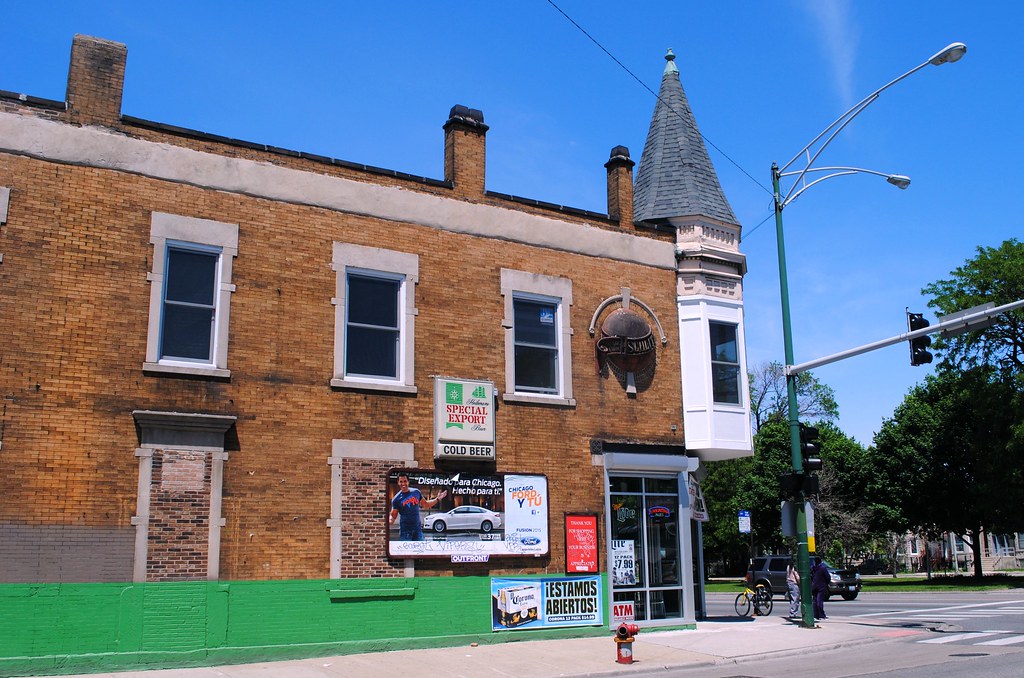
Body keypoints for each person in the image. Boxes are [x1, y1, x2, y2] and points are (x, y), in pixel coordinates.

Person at [389, 473, 447, 541]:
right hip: (405, 532)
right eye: (401, 482)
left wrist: (437, 499)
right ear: (398, 483)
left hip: (418, 530)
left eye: (405, 481)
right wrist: (387, 521)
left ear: (408, 482)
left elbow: (426, 505)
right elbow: (393, 516)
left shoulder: (416, 492)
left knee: (420, 551)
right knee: (407, 551)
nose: (403, 484)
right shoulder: (396, 499)